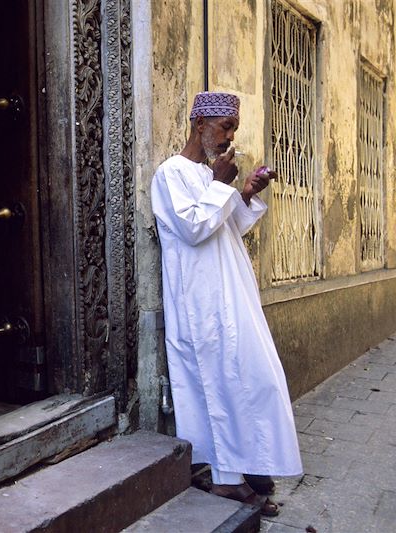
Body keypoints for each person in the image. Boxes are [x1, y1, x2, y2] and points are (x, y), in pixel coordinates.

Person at [150, 92, 303, 516]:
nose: (230, 135)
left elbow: (228, 226)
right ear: (199, 125)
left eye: (233, 127)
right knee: (216, 387)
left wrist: (247, 191)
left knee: (251, 380)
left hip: (230, 295)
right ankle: (226, 480)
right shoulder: (170, 174)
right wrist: (220, 185)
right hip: (200, 303)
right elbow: (194, 228)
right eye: (224, 126)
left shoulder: (207, 174)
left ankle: (245, 468)